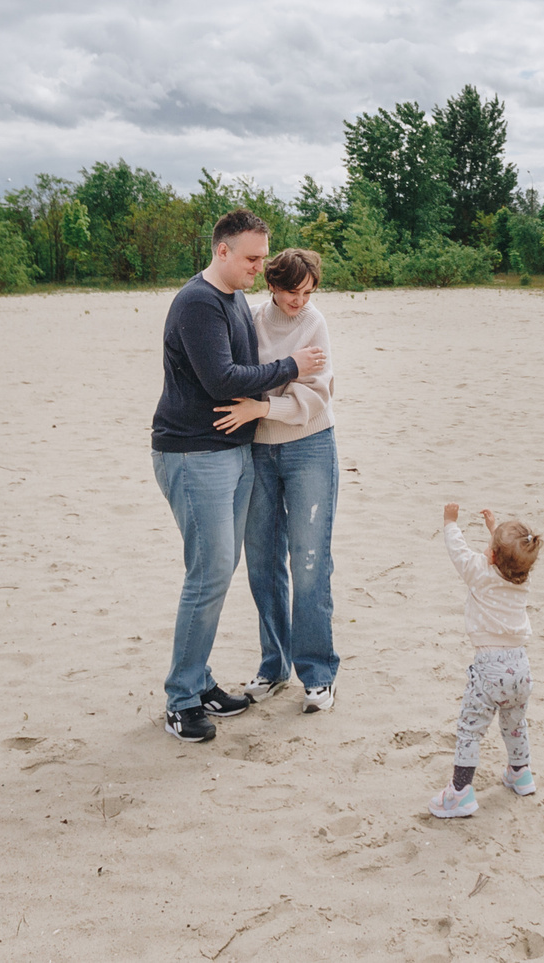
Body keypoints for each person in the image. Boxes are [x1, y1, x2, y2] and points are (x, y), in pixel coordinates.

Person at [150, 209, 326, 745]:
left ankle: (199, 681)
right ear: (222, 251)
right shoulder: (198, 302)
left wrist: (265, 402)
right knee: (207, 575)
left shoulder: (230, 299)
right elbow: (222, 379)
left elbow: (248, 385)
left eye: (260, 257)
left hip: (231, 452)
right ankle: (181, 699)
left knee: (220, 568)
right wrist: (293, 368)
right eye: (251, 258)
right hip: (193, 454)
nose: (258, 267)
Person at [219, 246, 341, 713]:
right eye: (292, 291)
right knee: (264, 563)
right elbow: (240, 377)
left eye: (309, 291)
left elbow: (314, 396)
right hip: (256, 450)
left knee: (309, 561)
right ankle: (273, 668)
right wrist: (272, 386)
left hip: (311, 445)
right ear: (272, 285)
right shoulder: (248, 319)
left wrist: (263, 404)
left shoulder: (316, 322)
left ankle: (318, 673)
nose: (301, 301)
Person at [428, 501, 544, 818]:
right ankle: (521, 774)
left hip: (489, 669)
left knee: (470, 730)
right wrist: (494, 530)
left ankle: (460, 793)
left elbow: (459, 552)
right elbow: (510, 556)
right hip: (521, 668)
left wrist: (450, 522)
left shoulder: (480, 574)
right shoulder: (523, 580)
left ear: (491, 555)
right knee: (515, 724)